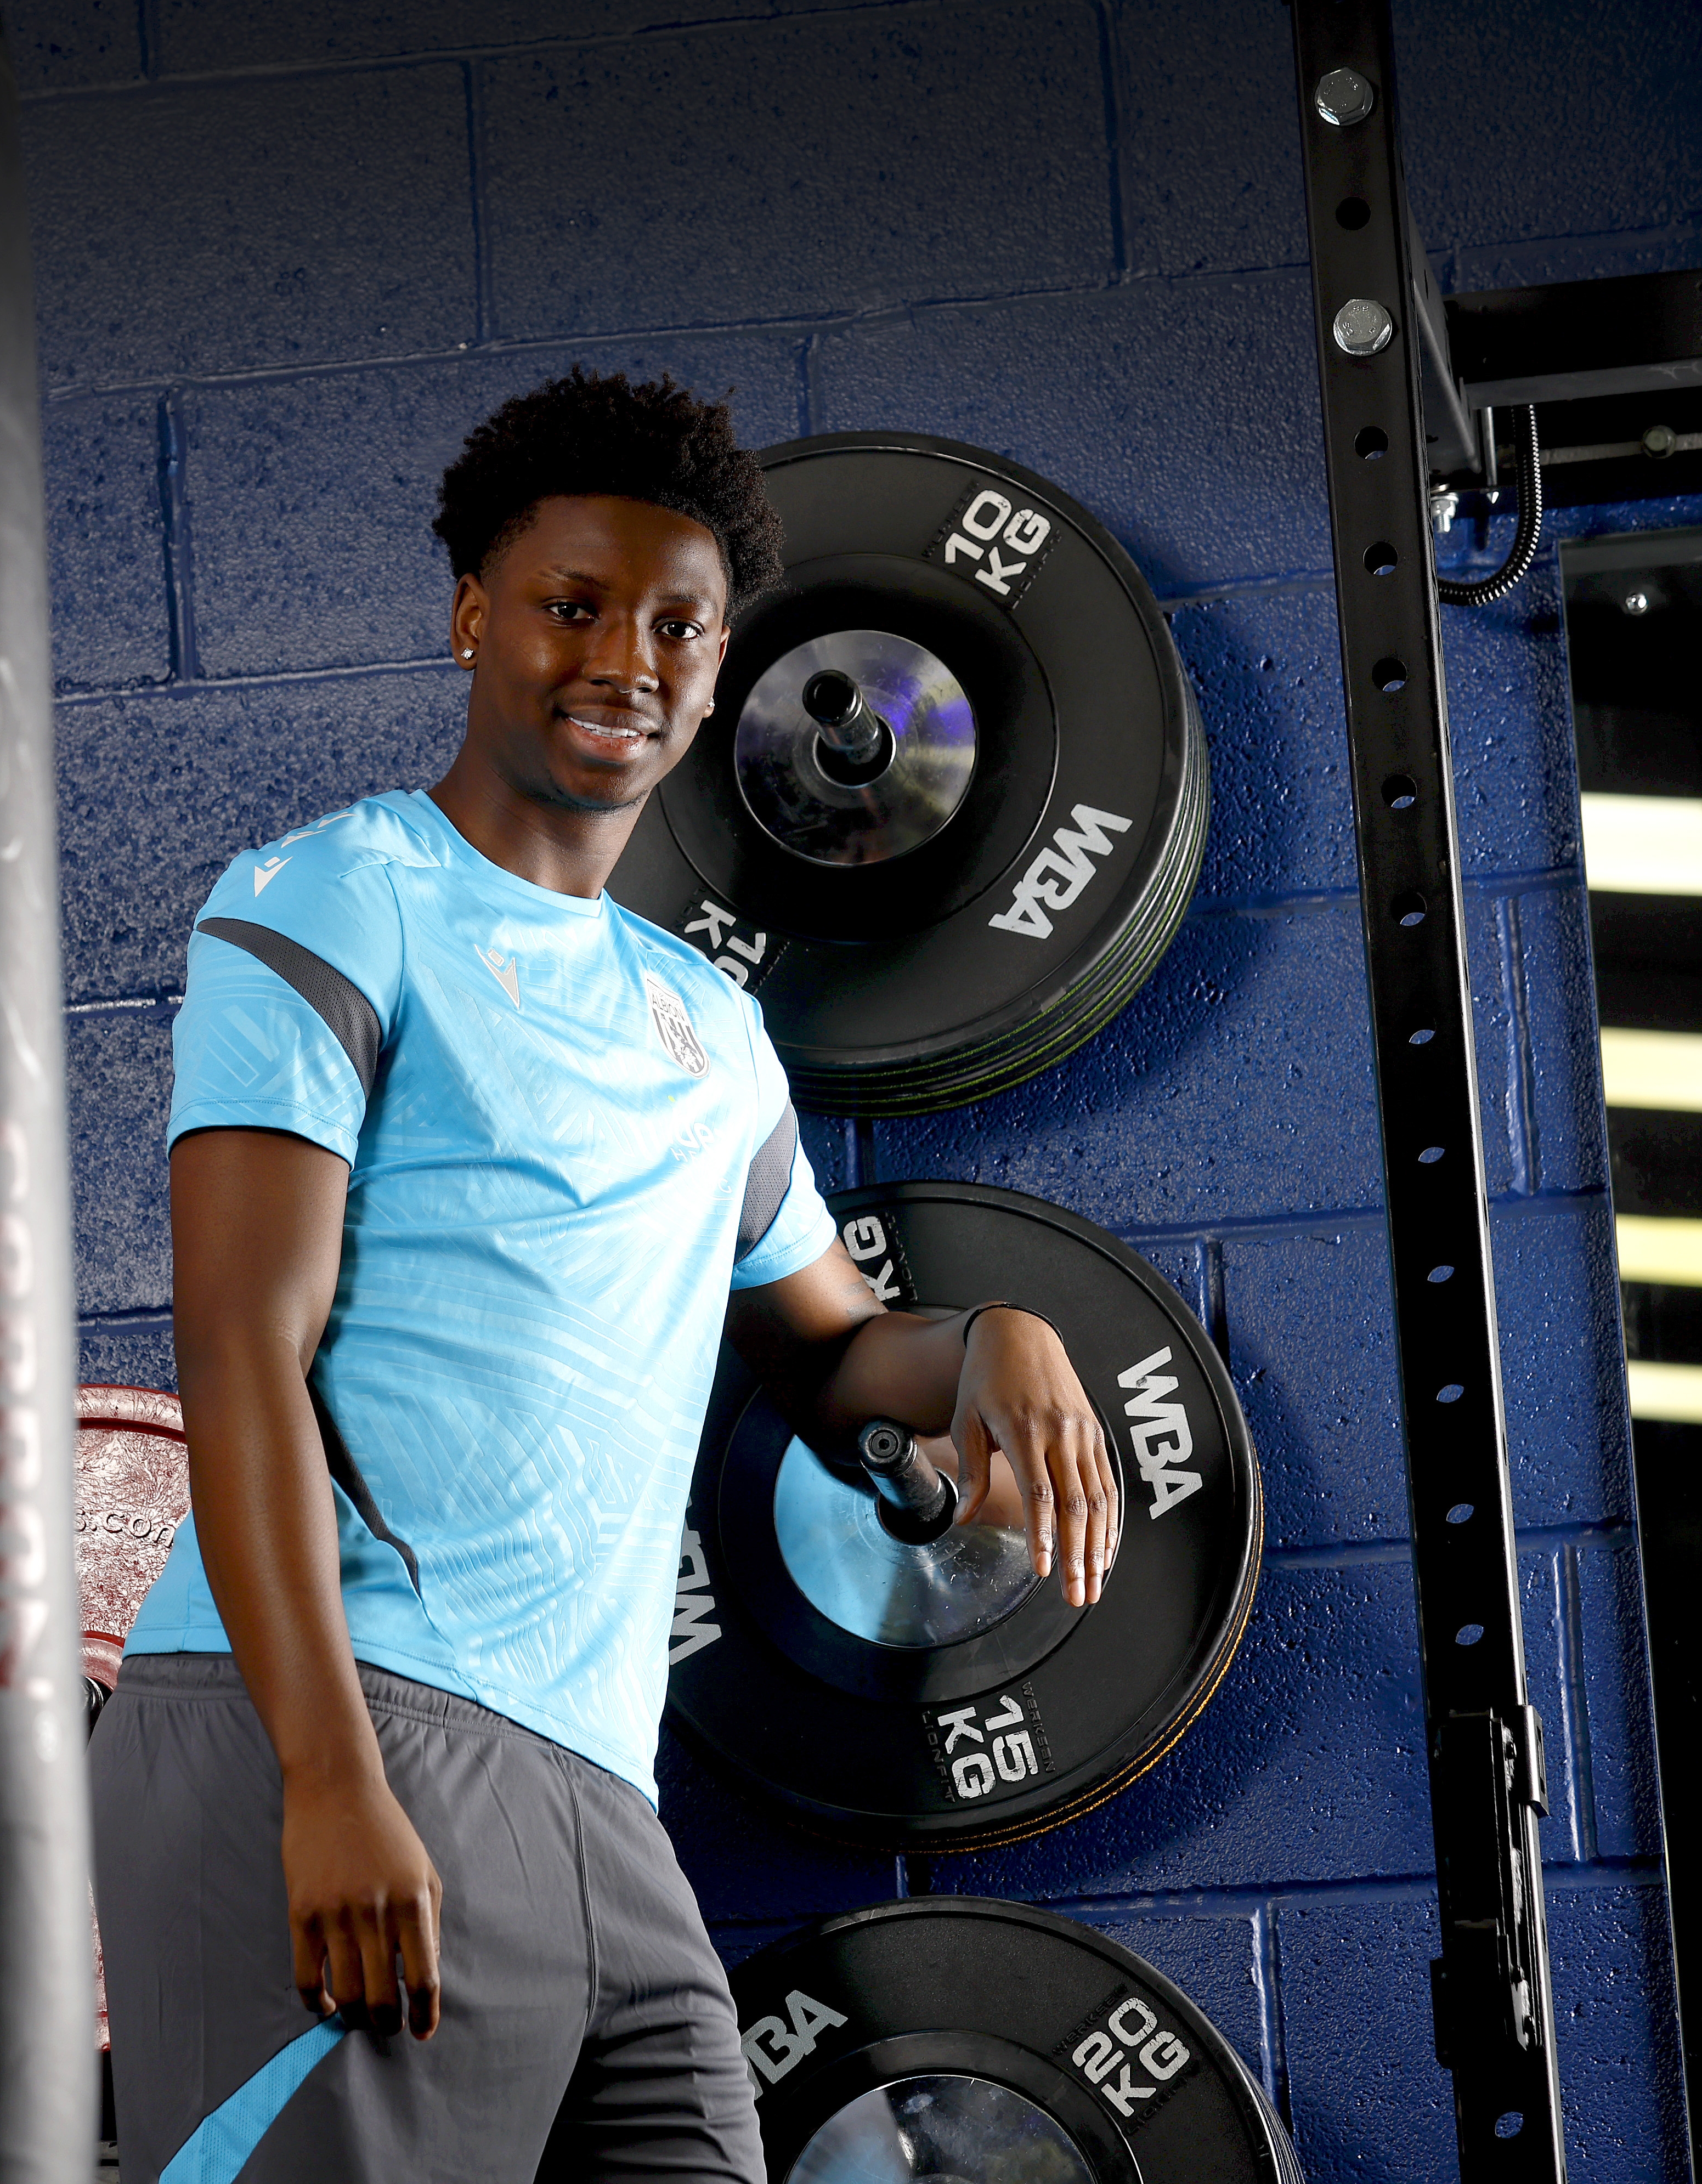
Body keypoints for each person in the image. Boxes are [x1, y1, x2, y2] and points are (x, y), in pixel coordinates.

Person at [88, 368, 1122, 2182]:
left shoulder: (712, 1032)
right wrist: (327, 1776)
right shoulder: (335, 899)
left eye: (676, 623)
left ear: (722, 667)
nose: (623, 658)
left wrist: (996, 1345)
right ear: (476, 615)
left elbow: (830, 1357)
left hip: (598, 1793)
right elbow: (239, 1350)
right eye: (572, 606)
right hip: (346, 1719)